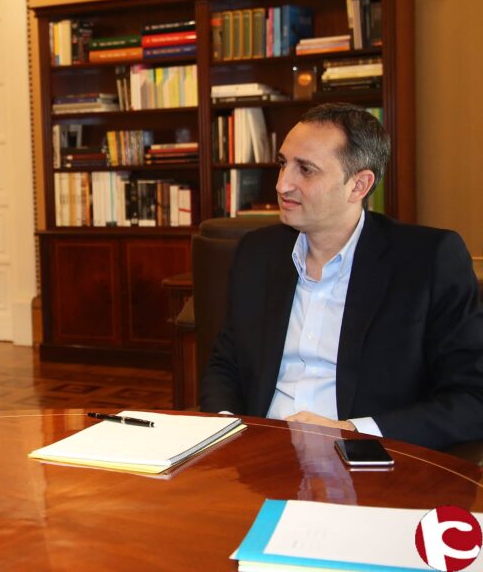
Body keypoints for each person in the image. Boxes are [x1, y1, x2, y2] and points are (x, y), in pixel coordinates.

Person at [200, 103, 483, 451]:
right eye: (283, 163)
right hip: (256, 455)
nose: (282, 184)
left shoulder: (427, 261)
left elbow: (472, 399)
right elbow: (225, 364)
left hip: (369, 465)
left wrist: (350, 430)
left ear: (359, 185)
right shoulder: (256, 253)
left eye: (305, 169)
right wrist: (229, 431)